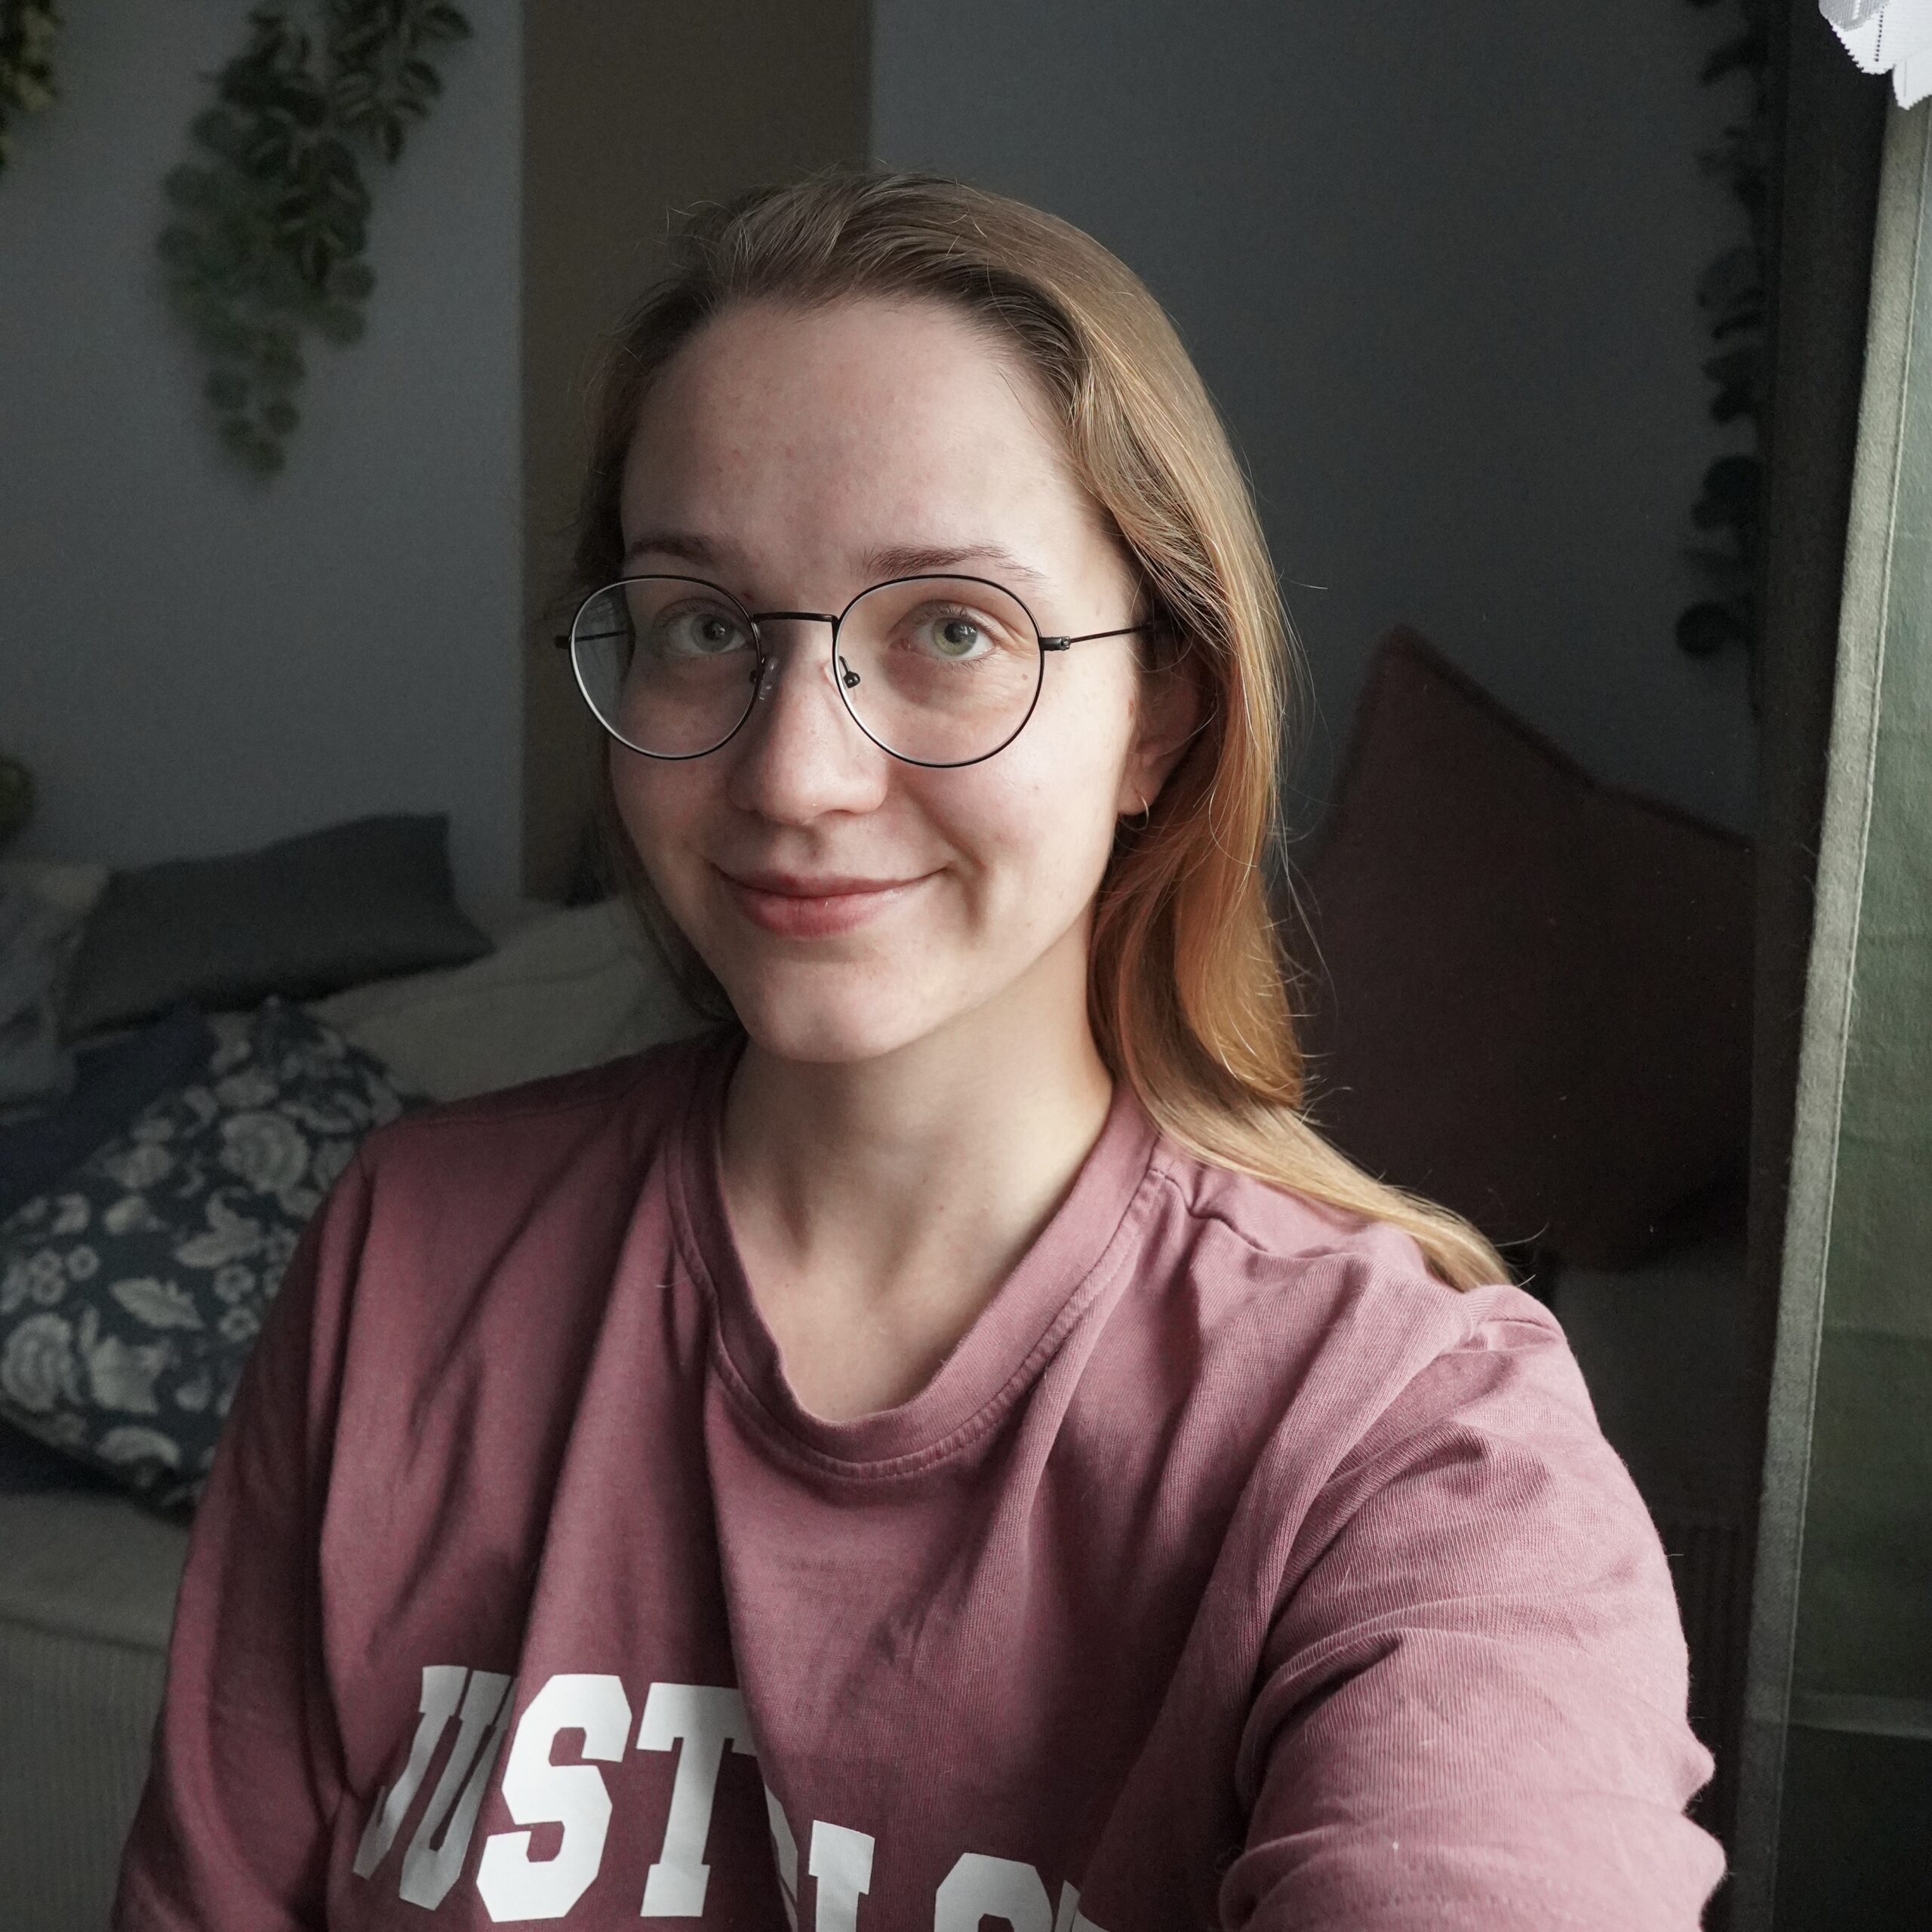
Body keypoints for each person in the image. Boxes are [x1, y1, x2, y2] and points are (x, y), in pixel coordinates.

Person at [112, 168, 1725, 1931]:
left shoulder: (1405, 1436)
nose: (793, 774)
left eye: (952, 628)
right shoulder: (405, 1257)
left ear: (1159, 712)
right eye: (704, 626)